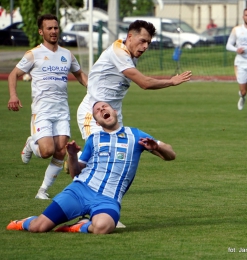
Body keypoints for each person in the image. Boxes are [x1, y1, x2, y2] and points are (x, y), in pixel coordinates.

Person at [6, 101, 176, 234]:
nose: (102, 110)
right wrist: (72, 155)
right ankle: (25, 222)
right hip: (80, 191)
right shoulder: (93, 139)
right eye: (98, 111)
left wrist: (157, 148)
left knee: (103, 228)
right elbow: (75, 173)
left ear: (115, 111)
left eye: (105, 107)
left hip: (108, 198)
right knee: (38, 227)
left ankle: (81, 226)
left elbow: (171, 155)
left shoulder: (136, 135)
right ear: (97, 121)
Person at [7, 14, 88, 199]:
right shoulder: (33, 54)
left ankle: (42, 190)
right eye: (49, 28)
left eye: (56, 28)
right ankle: (30, 143)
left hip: (62, 110)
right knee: (46, 151)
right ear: (41, 31)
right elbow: (13, 74)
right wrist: (13, 95)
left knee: (61, 151)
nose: (53, 31)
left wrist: (94, 90)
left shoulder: (66, 54)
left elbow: (80, 74)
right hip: (42, 110)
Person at [76, 20, 192, 141]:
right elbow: (144, 83)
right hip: (94, 112)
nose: (146, 46)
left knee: (117, 155)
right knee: (100, 152)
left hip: (114, 113)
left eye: (148, 42)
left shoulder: (131, 54)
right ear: (130, 37)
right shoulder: (118, 52)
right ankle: (75, 158)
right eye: (142, 41)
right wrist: (171, 81)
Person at [226, 8, 247, 123]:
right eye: (246, 15)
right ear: (243, 17)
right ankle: (242, 96)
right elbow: (228, 45)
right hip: (241, 63)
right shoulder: (237, 30)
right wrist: (237, 49)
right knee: (244, 90)